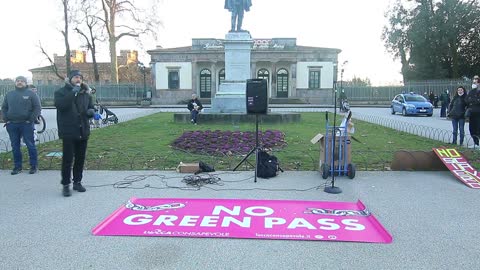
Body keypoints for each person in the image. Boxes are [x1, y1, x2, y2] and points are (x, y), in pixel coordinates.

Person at [54, 70, 95, 197]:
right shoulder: (61, 92)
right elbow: (61, 106)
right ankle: (66, 185)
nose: (78, 80)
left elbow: (91, 106)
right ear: (70, 79)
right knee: (67, 159)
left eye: (80, 78)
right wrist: (73, 92)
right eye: (76, 77)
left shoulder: (86, 93)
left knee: (80, 158)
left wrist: (91, 111)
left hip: (83, 129)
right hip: (68, 131)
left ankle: (77, 181)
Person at [1, 76, 41, 175]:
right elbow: (4, 107)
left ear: (25, 83)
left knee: (30, 145)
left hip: (26, 124)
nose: (19, 83)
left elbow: (37, 107)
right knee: (15, 146)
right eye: (18, 81)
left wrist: (30, 120)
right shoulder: (9, 94)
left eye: (22, 81)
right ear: (15, 83)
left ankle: (33, 166)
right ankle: (17, 167)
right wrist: (6, 119)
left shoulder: (31, 94)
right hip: (12, 125)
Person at [466, 75, 480, 146]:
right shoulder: (471, 91)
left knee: (478, 129)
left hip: (478, 113)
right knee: (472, 129)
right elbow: (467, 100)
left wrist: (473, 100)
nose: (475, 83)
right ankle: (476, 143)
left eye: (476, 82)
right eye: (474, 82)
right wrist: (475, 100)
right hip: (472, 113)